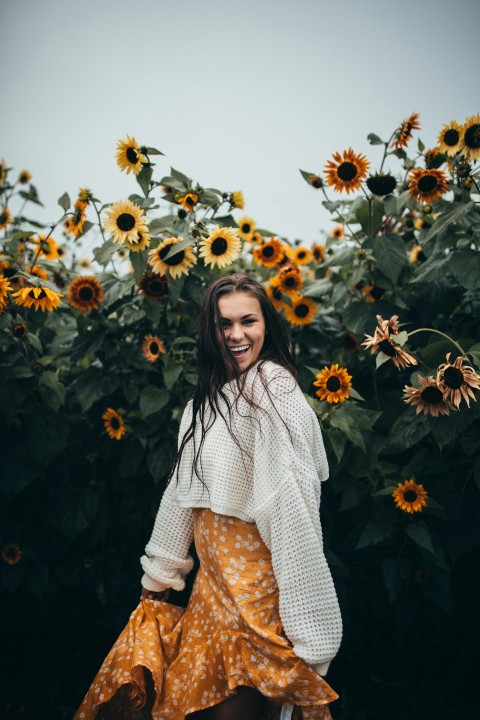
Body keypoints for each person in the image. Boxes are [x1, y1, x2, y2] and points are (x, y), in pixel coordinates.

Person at [74, 272, 342, 720]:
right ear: (209, 330)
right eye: (224, 324)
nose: (236, 335)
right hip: (212, 592)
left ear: (266, 327)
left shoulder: (274, 390)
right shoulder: (205, 402)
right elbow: (183, 495)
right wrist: (158, 575)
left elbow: (291, 509)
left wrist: (311, 631)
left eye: (248, 321)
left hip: (257, 597)